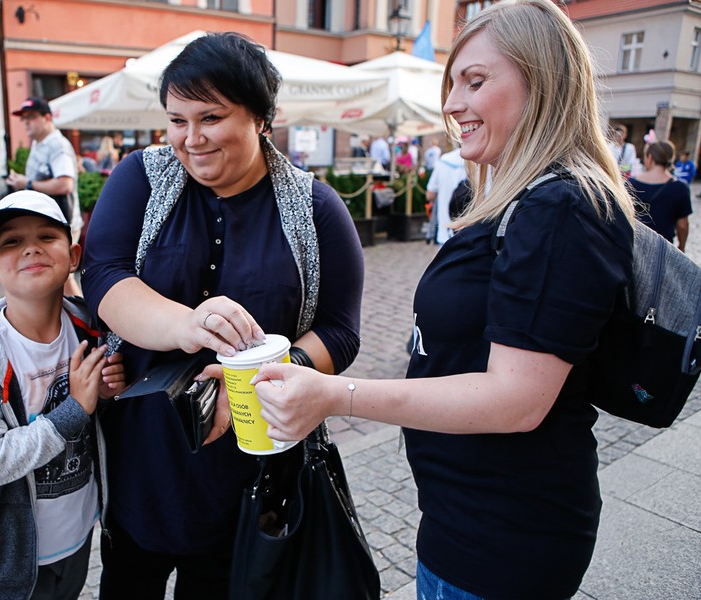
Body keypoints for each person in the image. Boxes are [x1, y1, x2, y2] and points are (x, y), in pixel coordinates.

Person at [252, 2, 636, 598]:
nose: (452, 103)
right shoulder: (517, 198)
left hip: (505, 534)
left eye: (475, 81)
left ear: (544, 83)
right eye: (452, 82)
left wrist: (336, 395)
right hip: (466, 516)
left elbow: (517, 400)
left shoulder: (558, 207)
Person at [80, 32, 364, 599]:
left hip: (250, 461)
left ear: (261, 117)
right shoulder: (140, 177)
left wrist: (263, 385)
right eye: (177, 120)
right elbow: (103, 275)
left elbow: (339, 329)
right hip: (145, 452)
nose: (191, 138)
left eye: (210, 117)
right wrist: (187, 325)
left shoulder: (315, 207)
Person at [0, 190, 126, 600]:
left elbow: (102, 412)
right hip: (10, 554)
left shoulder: (92, 330)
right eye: (11, 242)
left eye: (46, 236)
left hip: (77, 534)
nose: (31, 249)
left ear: (73, 255)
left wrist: (111, 391)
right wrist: (73, 410)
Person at [5, 97, 83, 297]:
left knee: (63, 275)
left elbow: (65, 184)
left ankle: (88, 322)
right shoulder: (39, 143)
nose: (26, 123)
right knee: (54, 276)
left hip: (61, 222)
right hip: (47, 221)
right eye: (24, 118)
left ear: (47, 117)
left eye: (31, 117)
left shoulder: (57, 145)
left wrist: (27, 184)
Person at [628, 140, 692, 252]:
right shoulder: (680, 188)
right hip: (662, 247)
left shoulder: (631, 184)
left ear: (650, 158)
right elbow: (683, 225)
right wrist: (682, 245)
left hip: (633, 244)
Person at [425, 147, 467, 244]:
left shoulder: (444, 161)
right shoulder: (478, 161)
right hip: (468, 232)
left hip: (445, 228)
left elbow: (429, 195)